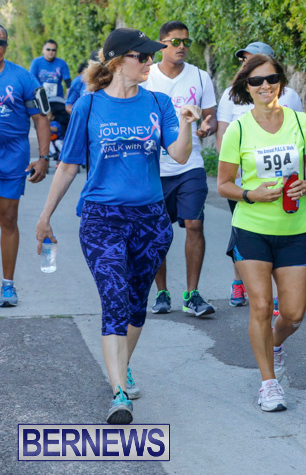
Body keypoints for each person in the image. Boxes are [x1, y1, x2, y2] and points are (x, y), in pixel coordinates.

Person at [35, 28, 195, 424]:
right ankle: (119, 393)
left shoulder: (158, 102)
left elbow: (178, 154)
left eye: (150, 56)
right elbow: (68, 166)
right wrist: (45, 216)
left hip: (151, 220)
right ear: (119, 61)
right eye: (143, 56)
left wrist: (187, 123)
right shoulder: (89, 106)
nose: (150, 62)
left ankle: (122, 367)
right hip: (101, 219)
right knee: (114, 299)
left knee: (136, 304)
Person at [217, 53, 306, 412]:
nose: (265, 86)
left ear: (281, 82)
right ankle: (268, 383)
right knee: (261, 305)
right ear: (246, 87)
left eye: (272, 78)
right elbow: (223, 184)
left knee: (293, 314)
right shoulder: (238, 129)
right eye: (256, 81)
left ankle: (274, 344)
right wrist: (251, 195)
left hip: (294, 228)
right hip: (251, 228)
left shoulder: (300, 122)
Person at [216, 41, 303, 308]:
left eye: (254, 59)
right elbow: (222, 135)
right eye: (244, 60)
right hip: (242, 182)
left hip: (282, 184)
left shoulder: (289, 96)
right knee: (242, 232)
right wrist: (233, 167)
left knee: (279, 234)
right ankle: (239, 282)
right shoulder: (230, 95)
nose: (248, 63)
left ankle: (278, 293)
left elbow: (298, 137)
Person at [141, 20, 217, 317]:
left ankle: (192, 294)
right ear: (161, 45)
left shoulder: (199, 76)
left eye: (186, 41)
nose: (182, 46)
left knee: (195, 225)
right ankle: (161, 293)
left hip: (190, 165)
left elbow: (210, 117)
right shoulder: (146, 77)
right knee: (158, 231)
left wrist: (207, 127)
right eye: (175, 41)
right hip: (154, 167)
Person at [0, 25, 51, 306]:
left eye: (1, 42)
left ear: (6, 45)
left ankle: (8, 286)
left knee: (8, 218)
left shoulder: (22, 77)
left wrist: (43, 157)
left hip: (12, 155)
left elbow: (42, 117)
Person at [30, 40, 71, 133]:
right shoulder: (36, 62)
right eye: (48, 49)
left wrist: (69, 100)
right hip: (41, 99)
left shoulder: (62, 63)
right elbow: (31, 81)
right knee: (40, 125)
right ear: (43, 50)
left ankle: (62, 140)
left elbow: (68, 83)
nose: (51, 52)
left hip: (57, 99)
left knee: (65, 122)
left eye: (53, 50)